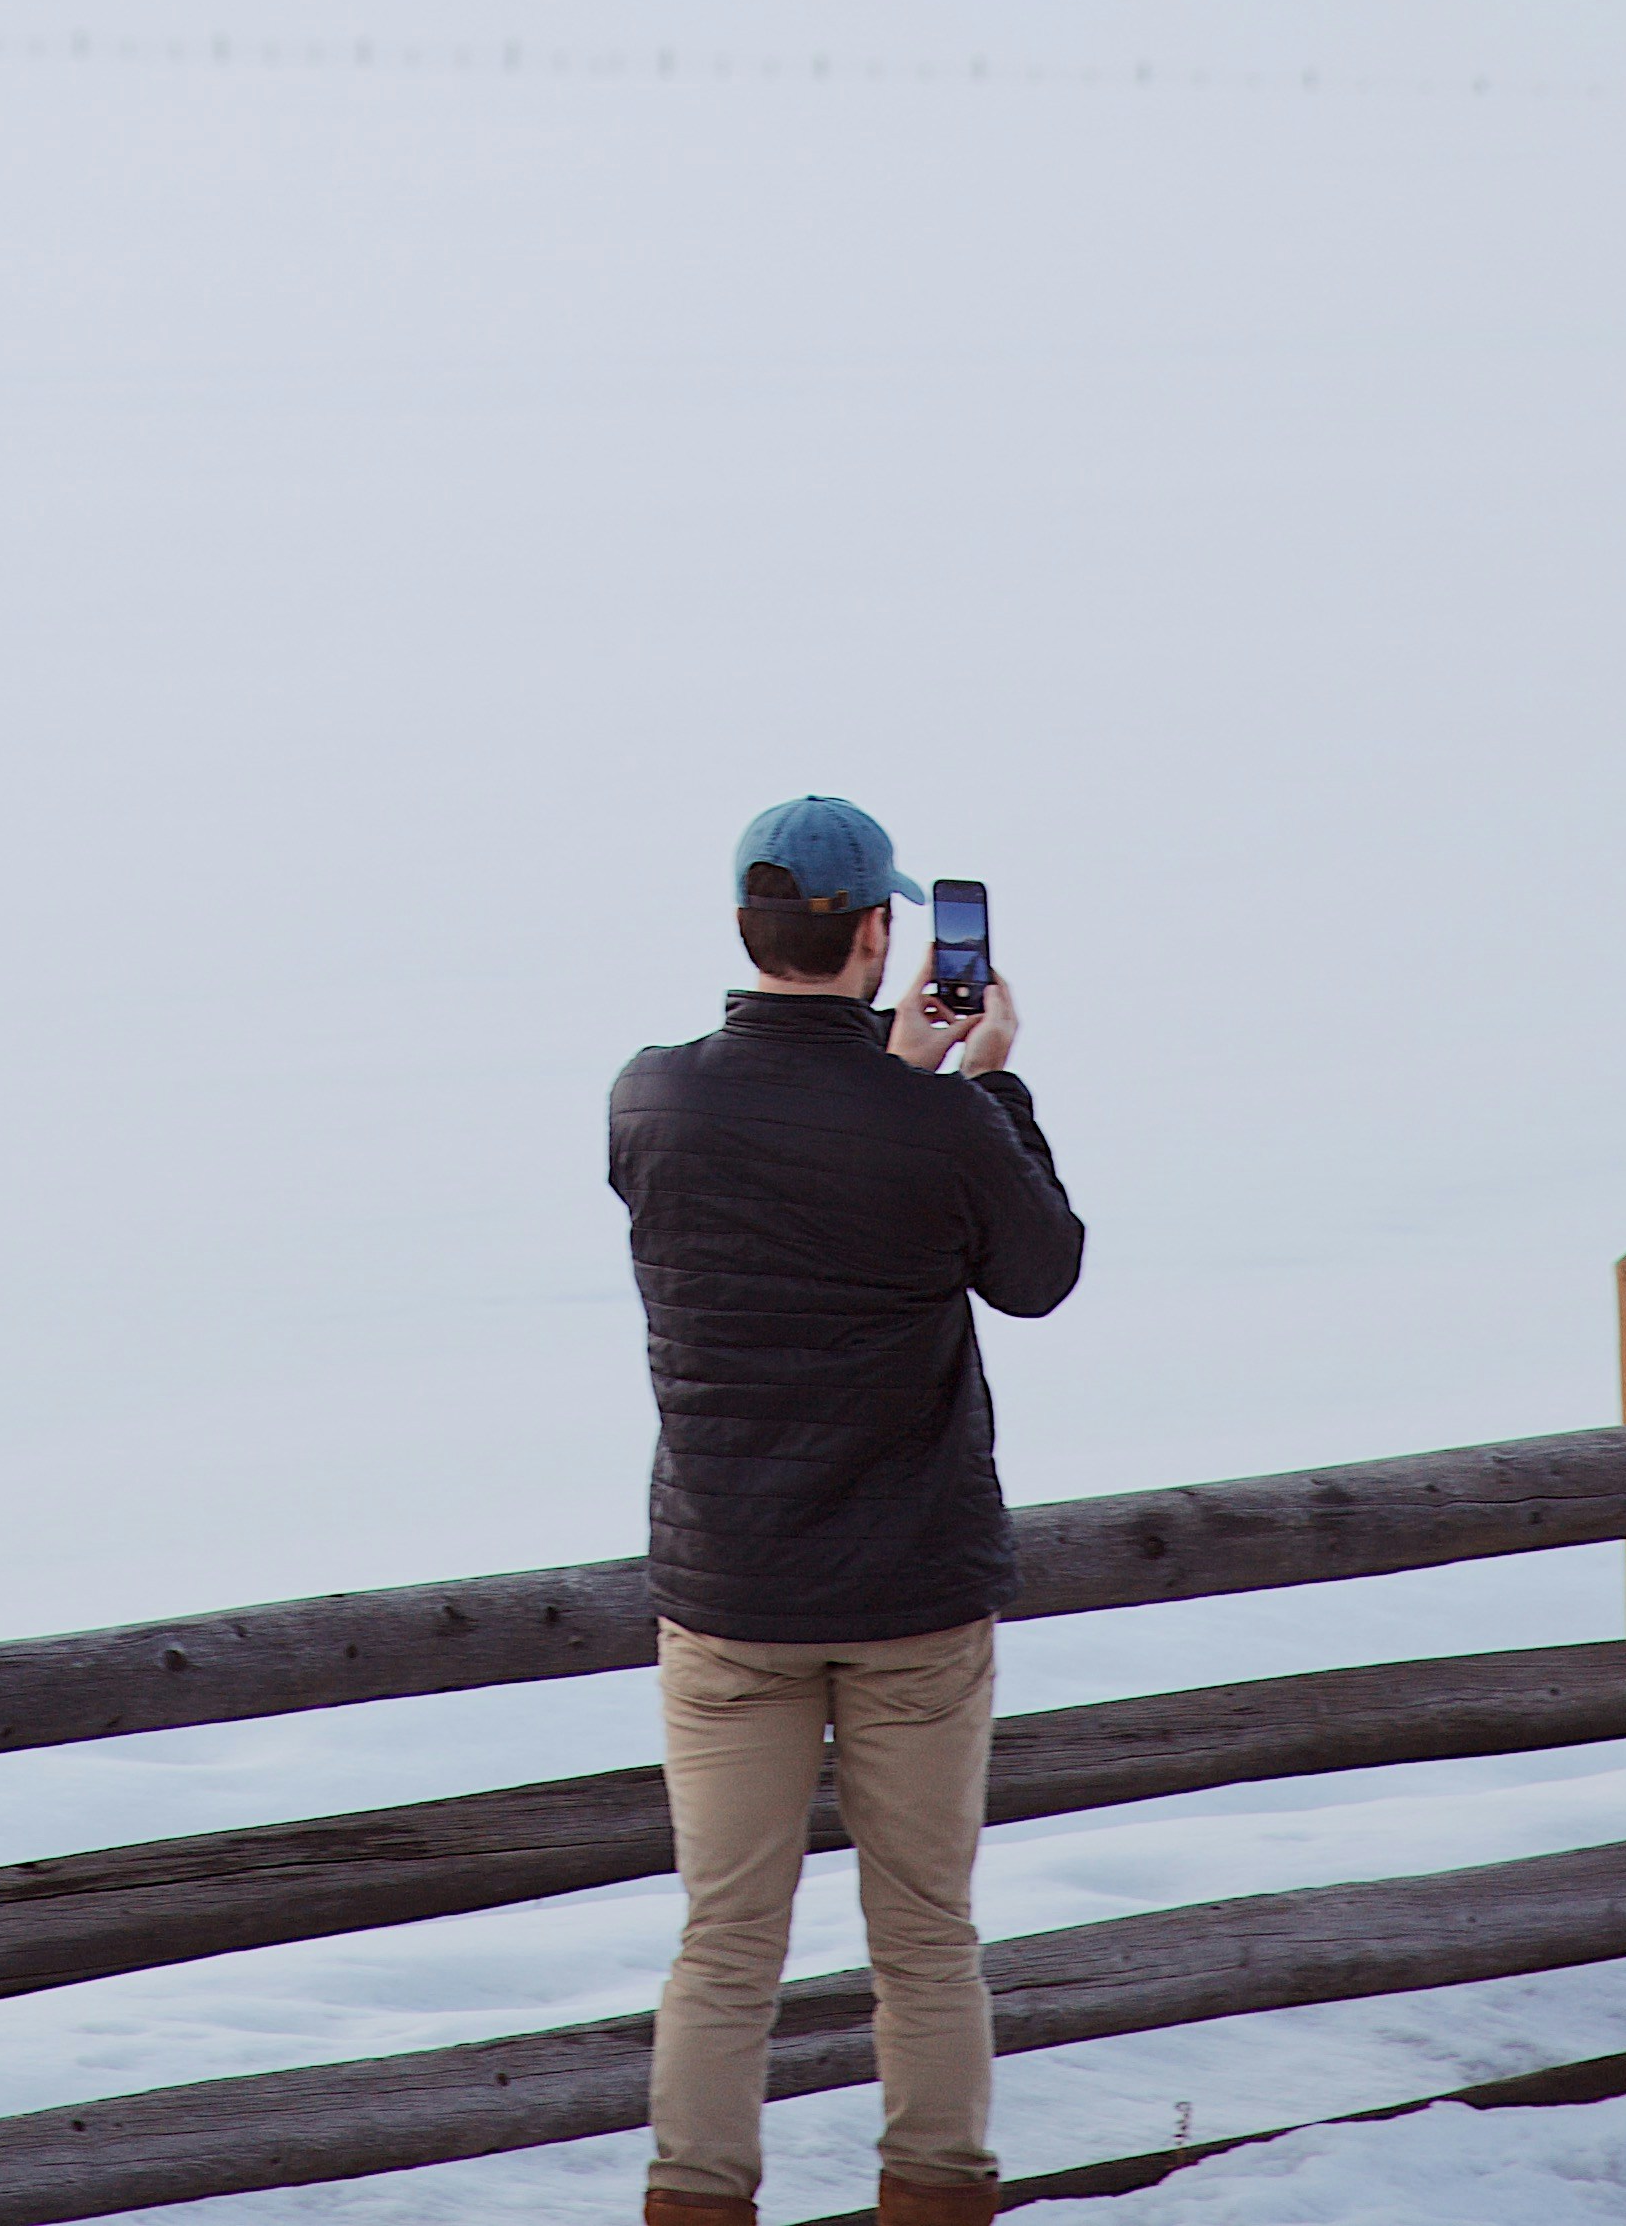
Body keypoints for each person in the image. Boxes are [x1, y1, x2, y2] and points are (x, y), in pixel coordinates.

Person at [608, 796, 1086, 2226]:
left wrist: (905, 1083)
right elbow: (1039, 1271)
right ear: (878, 933)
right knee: (925, 1940)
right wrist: (986, 1084)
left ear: (744, 926)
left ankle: (695, 2200)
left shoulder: (650, 1098)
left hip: (729, 1594)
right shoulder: (938, 1124)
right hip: (911, 1599)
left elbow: (793, 1163)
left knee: (723, 1945)